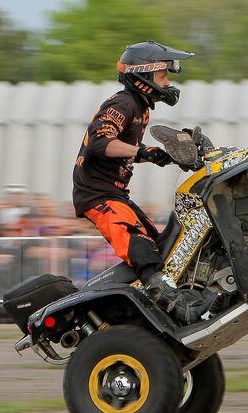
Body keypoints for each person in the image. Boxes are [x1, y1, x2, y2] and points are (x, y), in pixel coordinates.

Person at [72, 40, 214, 325]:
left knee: (159, 243)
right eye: (163, 75)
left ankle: (161, 301)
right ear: (144, 75)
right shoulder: (122, 103)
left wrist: (155, 156)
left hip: (116, 193)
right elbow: (101, 143)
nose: (167, 82)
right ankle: (174, 306)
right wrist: (141, 151)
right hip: (97, 195)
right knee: (138, 245)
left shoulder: (141, 108)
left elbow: (122, 149)